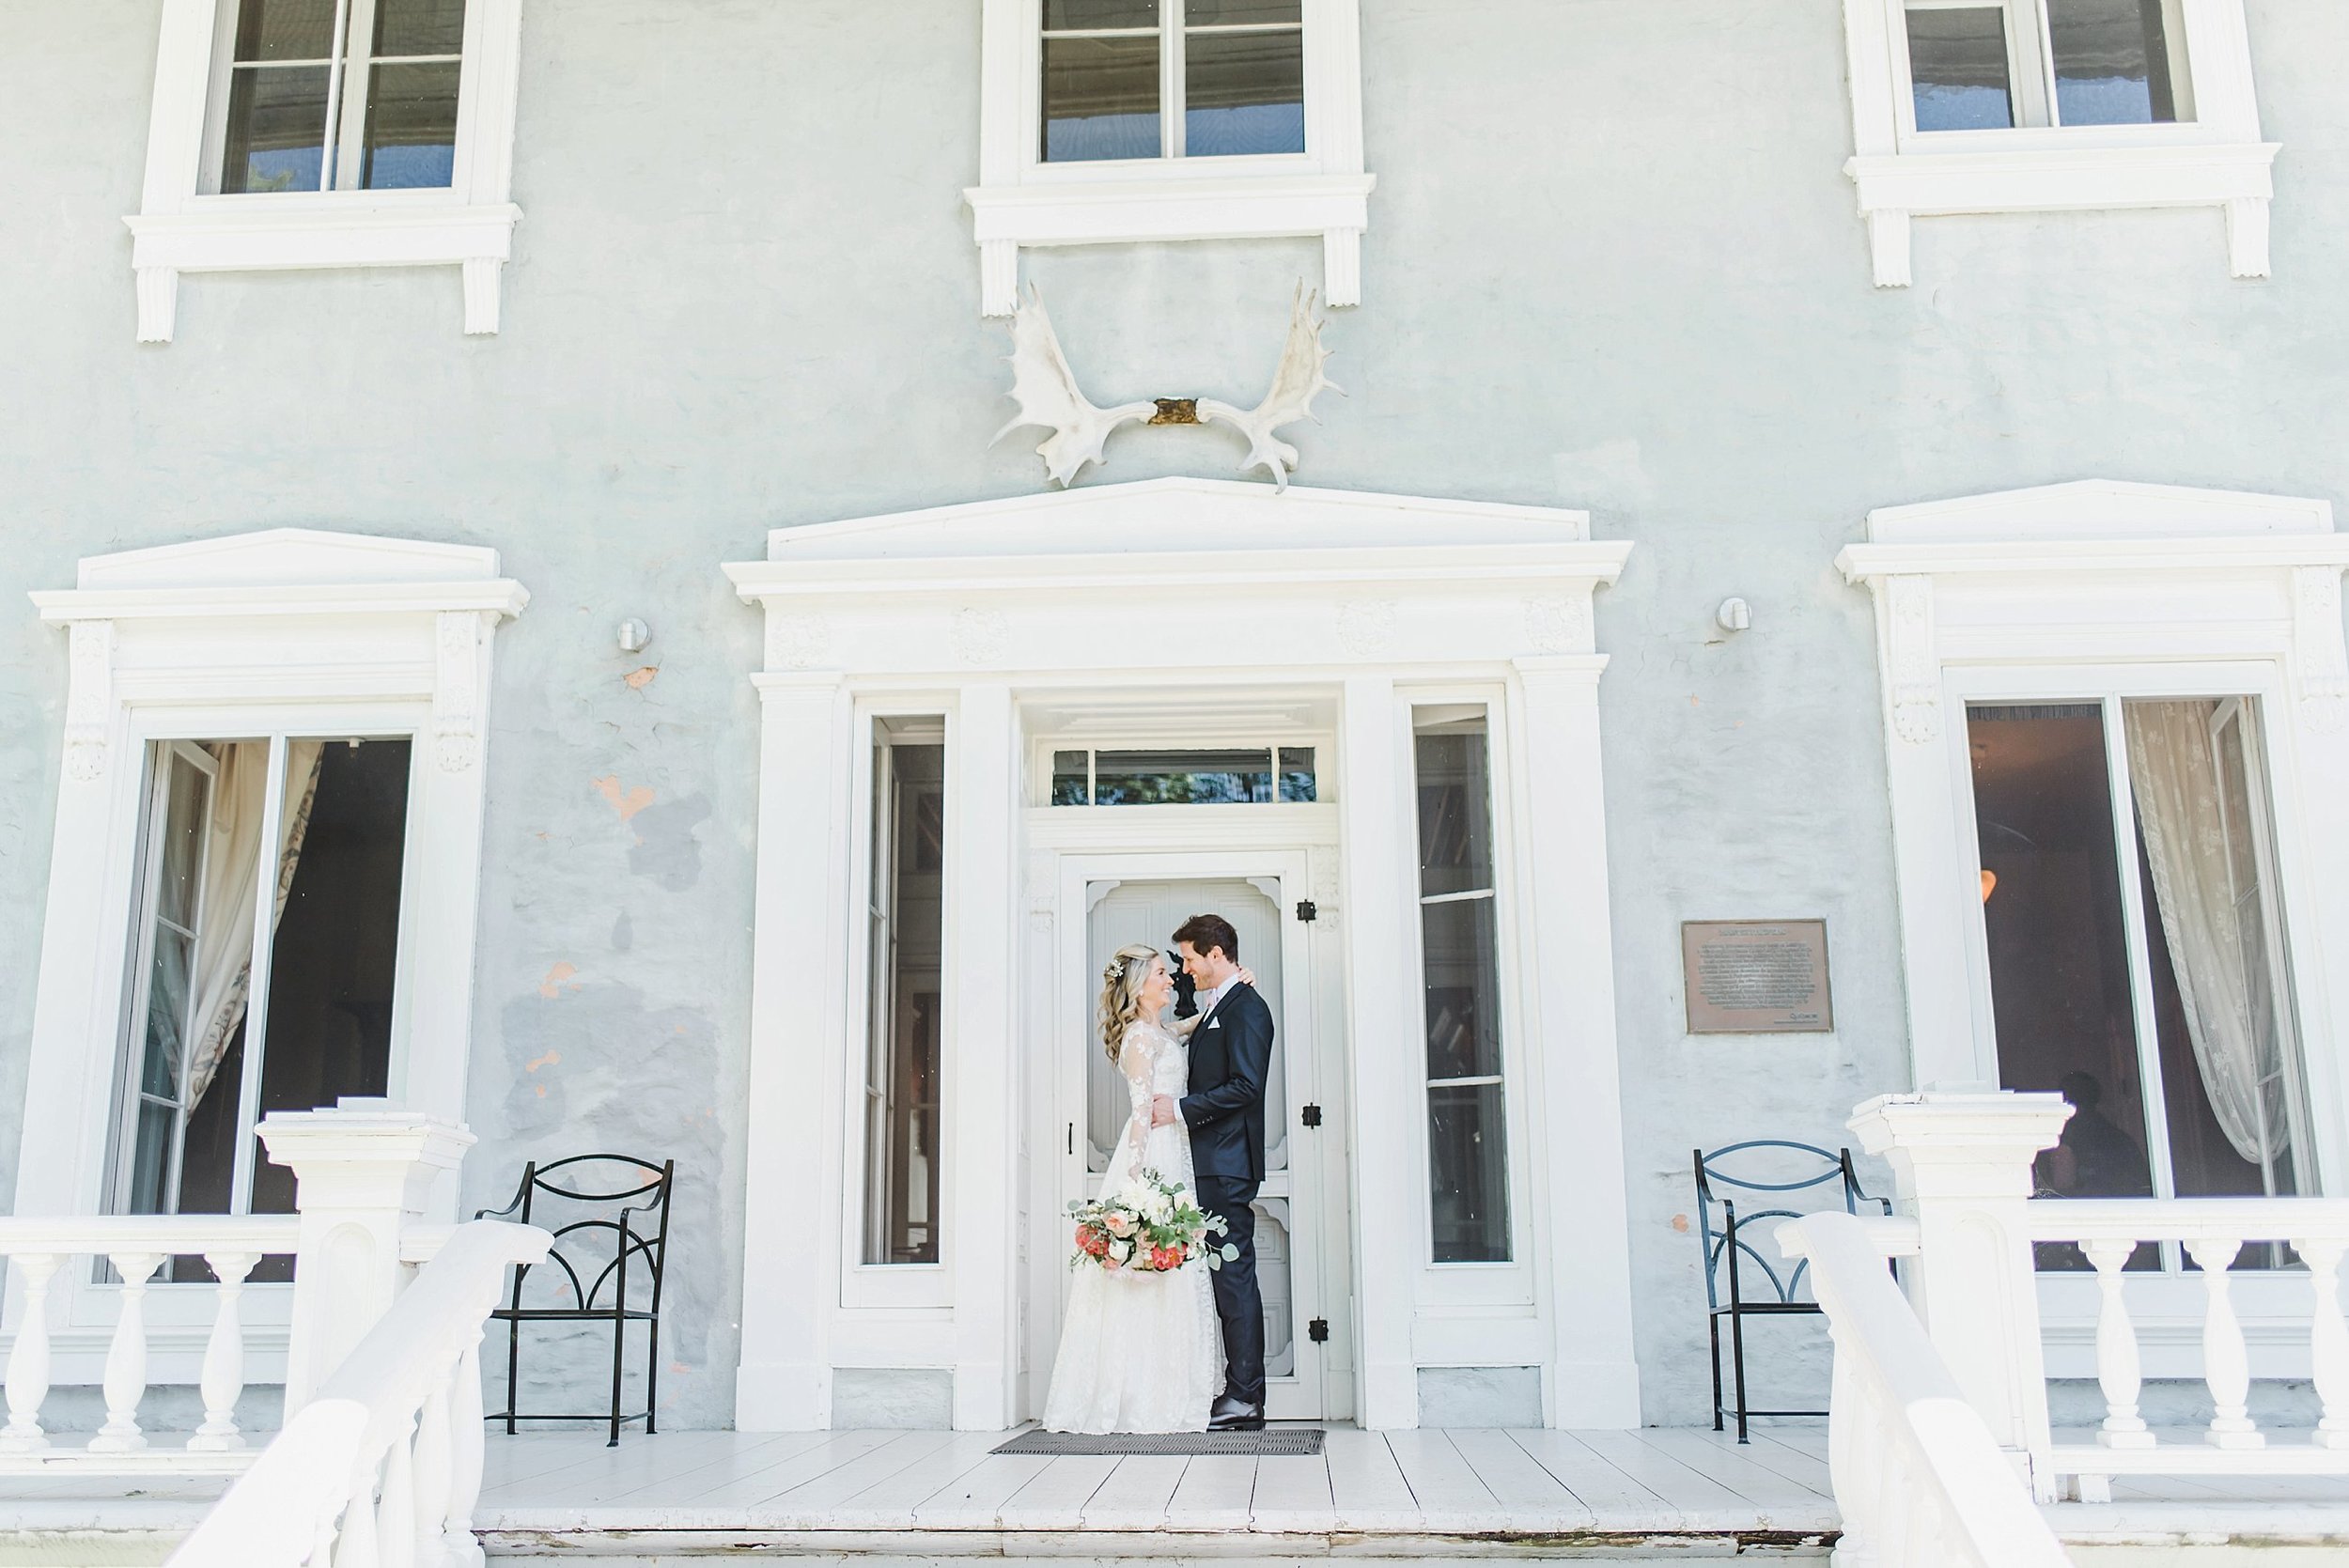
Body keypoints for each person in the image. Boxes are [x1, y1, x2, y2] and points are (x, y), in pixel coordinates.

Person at [1039, 944, 1224, 1433]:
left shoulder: (1160, 1032)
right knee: (1151, 1268)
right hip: (1154, 1152)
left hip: (1175, 1150)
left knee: (1176, 1272)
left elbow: (1187, 1029)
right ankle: (1139, 1395)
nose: (1171, 981)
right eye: (1162, 974)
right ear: (1141, 985)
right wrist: (1136, 1185)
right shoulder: (1140, 1041)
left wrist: (1225, 992)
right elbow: (1142, 1114)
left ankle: (1172, 1386)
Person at [1152, 913, 1274, 1433]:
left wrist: (1179, 1109)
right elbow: (1183, 998)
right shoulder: (1217, 1004)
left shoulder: (1247, 1009)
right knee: (1217, 1282)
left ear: (1217, 955)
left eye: (1191, 958)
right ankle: (1231, 1390)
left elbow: (1247, 1086)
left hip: (1226, 1167)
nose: (1185, 967)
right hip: (1206, 1166)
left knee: (1234, 1279)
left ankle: (1245, 1397)